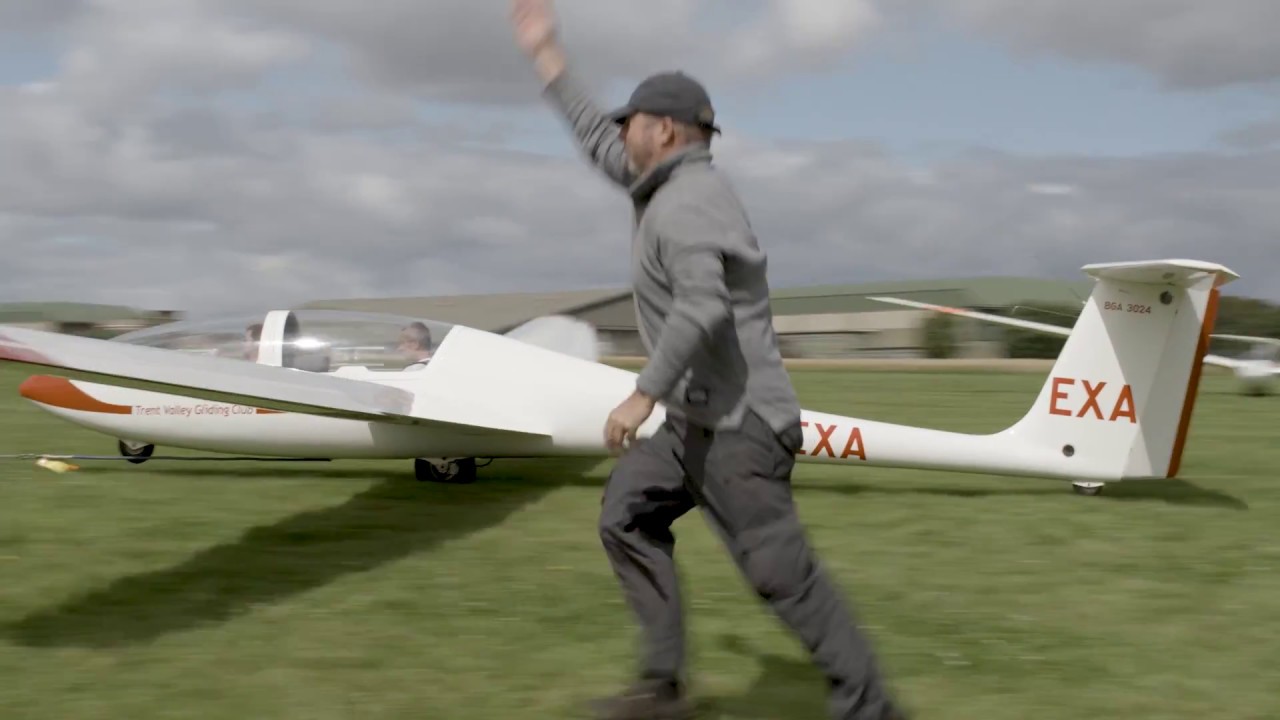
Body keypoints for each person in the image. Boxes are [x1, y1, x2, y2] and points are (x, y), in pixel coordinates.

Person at [508, 2, 907, 719]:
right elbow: (599, 140)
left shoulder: (691, 203)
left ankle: (870, 708)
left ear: (662, 131)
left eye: (631, 120)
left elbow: (703, 305)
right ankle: (662, 691)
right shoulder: (661, 183)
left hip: (743, 425)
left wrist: (640, 395)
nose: (621, 129)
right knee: (627, 514)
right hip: (699, 420)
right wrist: (548, 57)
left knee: (780, 576)